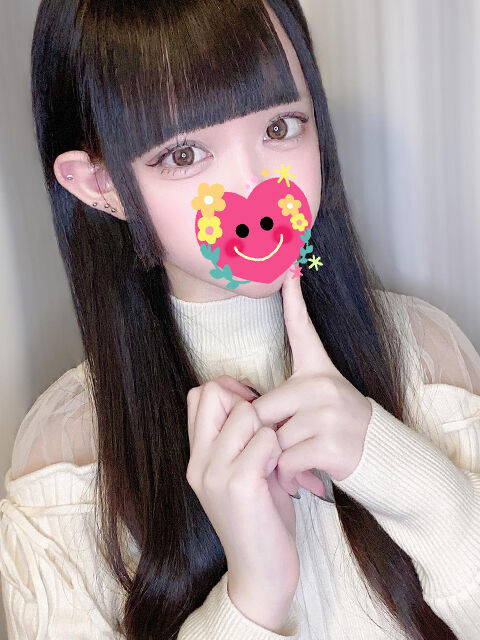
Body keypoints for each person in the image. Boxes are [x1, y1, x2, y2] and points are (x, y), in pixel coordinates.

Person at [1, 0, 479, 638]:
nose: (256, 189)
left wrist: (416, 483)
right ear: (100, 185)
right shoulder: (69, 455)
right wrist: (253, 594)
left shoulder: (426, 356)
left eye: (281, 127)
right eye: (184, 154)